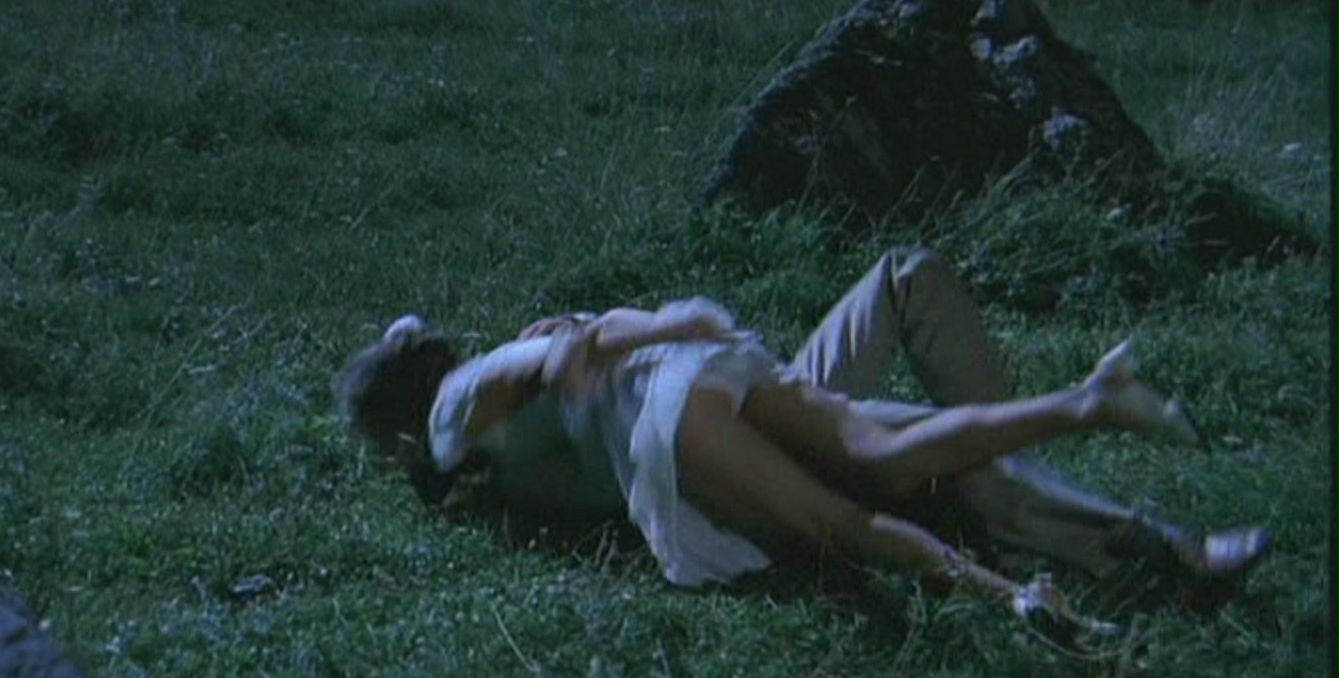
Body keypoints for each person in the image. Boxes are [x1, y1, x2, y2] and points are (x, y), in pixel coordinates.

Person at [336, 247, 1268, 633]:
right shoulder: (473, 440)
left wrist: (587, 333)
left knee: (905, 275)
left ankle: (1037, 490)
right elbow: (562, 388)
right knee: (898, 459)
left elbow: (561, 375)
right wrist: (620, 329)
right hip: (703, 418)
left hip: (717, 388)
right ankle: (1149, 545)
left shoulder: (482, 424)